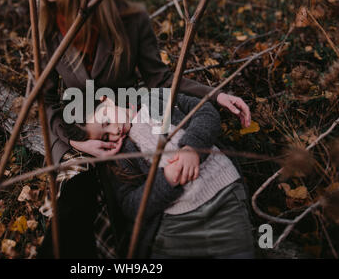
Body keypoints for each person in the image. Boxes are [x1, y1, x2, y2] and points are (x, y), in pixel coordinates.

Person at [37, 0, 252, 258]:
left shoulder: (131, 18)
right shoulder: (46, 29)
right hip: (79, 130)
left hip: (132, 126)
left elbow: (160, 78)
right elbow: (44, 101)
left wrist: (215, 96)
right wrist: (78, 141)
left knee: (124, 210)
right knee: (76, 196)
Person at [64, 91, 255, 258]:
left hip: (224, 195)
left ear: (107, 101)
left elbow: (205, 112)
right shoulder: (120, 157)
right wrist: (166, 181)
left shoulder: (155, 99)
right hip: (178, 220)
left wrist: (192, 148)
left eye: (107, 122)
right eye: (105, 137)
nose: (114, 131)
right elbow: (131, 205)